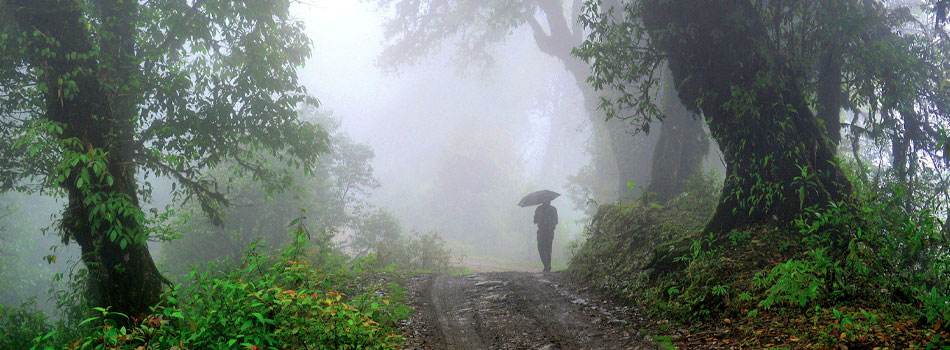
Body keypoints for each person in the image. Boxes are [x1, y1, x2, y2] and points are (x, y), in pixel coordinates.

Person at [533, 199, 558, 272]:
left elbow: (534, 221)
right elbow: (556, 221)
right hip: (550, 232)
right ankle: (548, 265)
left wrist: (540, 218)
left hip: (542, 231)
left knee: (541, 248)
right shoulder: (553, 209)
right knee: (548, 248)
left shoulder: (539, 209)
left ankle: (546, 266)